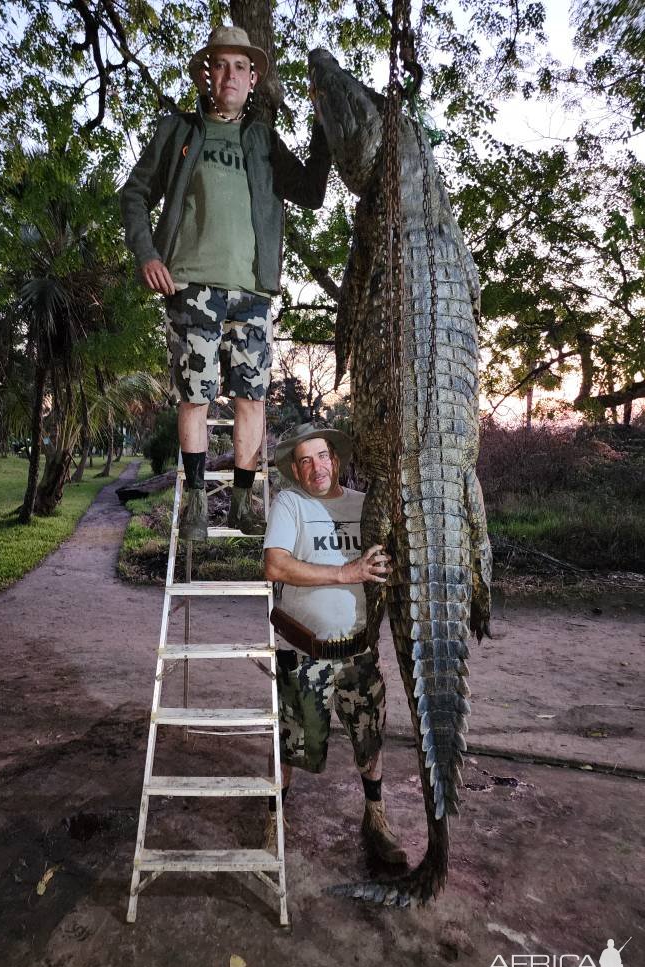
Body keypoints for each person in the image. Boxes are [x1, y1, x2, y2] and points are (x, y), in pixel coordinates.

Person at [120, 25, 331, 539]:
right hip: (191, 286)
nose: (230, 75)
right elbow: (134, 195)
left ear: (253, 77)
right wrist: (147, 254)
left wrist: (323, 125)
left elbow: (309, 191)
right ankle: (194, 504)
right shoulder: (177, 133)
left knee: (251, 397)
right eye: (220, 64)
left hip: (253, 294)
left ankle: (239, 501)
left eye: (241, 66)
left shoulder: (261, 139)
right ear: (204, 73)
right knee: (194, 395)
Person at [262, 422, 407, 864]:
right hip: (304, 653)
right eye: (304, 460)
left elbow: (392, 559)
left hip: (360, 652)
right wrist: (346, 573)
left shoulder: (365, 506)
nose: (315, 467)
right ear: (295, 469)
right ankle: (275, 819)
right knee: (291, 742)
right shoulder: (291, 503)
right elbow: (276, 565)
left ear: (336, 460)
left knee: (371, 740)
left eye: (321, 456)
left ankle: (376, 817)